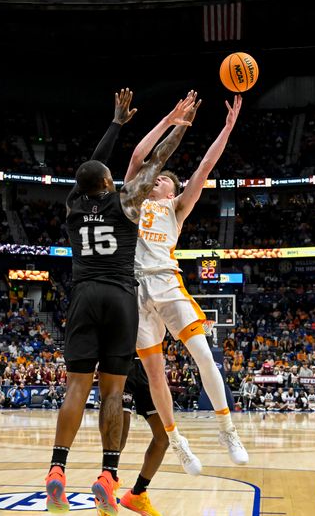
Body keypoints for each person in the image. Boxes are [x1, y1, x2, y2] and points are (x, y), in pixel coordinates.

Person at [45, 89, 196, 515]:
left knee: (76, 387)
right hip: (120, 294)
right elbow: (157, 162)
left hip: (84, 294)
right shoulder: (128, 201)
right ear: (109, 183)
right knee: (113, 390)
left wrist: (115, 125)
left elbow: (90, 169)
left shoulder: (74, 205)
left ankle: (57, 468)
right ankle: (108, 476)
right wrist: (179, 127)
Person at [121, 95, 247, 474]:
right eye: (156, 176)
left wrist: (226, 129)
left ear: (172, 192)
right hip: (135, 292)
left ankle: (227, 428)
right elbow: (137, 158)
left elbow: (206, 166)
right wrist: (171, 119)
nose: (157, 178)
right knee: (155, 374)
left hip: (168, 283)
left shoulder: (174, 208)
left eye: (164, 180)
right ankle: (177, 441)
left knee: (204, 356)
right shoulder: (132, 199)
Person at [118, 357, 169, 515]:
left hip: (148, 364)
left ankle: (138, 493)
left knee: (163, 437)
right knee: (119, 437)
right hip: (121, 359)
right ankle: (106, 494)